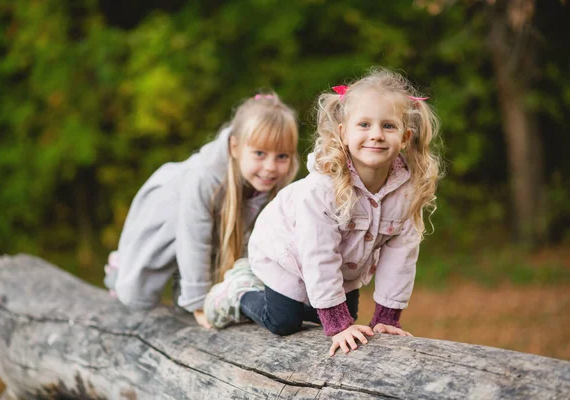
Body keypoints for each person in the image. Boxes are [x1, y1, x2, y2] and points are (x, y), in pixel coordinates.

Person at [204, 67, 442, 355]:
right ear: (343, 133)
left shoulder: (406, 193)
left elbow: (401, 255)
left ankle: (323, 308)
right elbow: (318, 252)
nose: (376, 135)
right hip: (286, 250)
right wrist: (337, 324)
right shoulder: (323, 188)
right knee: (285, 321)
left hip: (341, 266)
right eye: (364, 125)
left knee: (340, 318)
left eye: (388, 126)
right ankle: (238, 292)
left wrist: (386, 317)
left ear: (405, 137)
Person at [104, 93, 300, 328]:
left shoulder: (266, 182)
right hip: (168, 211)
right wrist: (199, 305)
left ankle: (182, 293)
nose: (270, 167)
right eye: (260, 153)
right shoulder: (204, 178)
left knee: (193, 284)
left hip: (205, 220)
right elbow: (194, 243)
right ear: (235, 147)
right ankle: (120, 267)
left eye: (281, 156)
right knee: (136, 293)